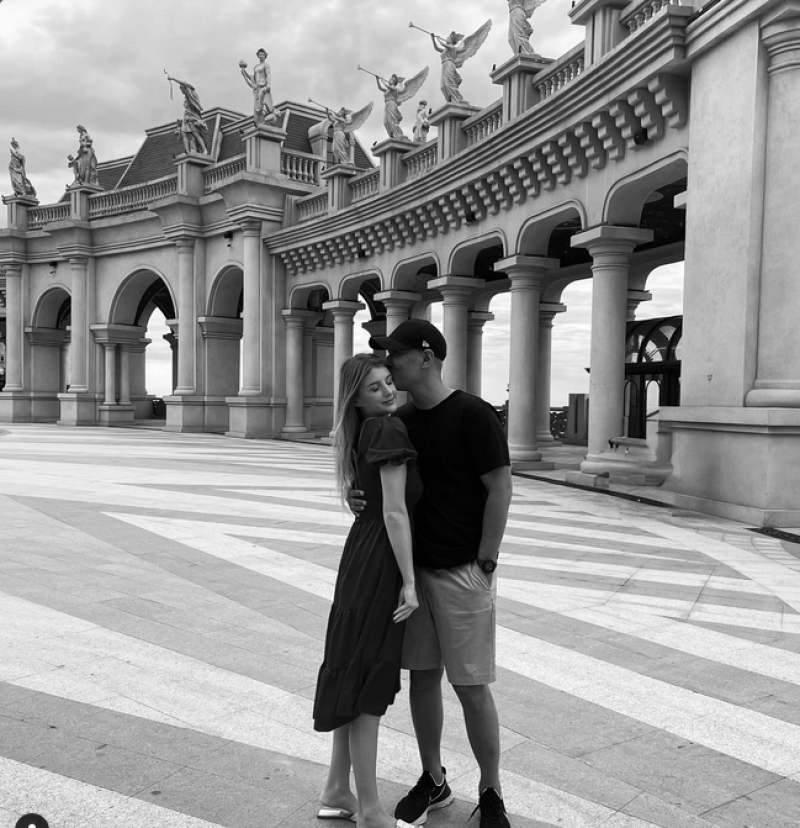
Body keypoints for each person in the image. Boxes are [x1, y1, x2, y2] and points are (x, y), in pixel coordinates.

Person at [363, 319, 514, 828]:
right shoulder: (401, 420)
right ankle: (434, 778)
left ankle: (490, 790)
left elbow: (500, 488)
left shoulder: (474, 414)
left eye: (397, 354)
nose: (389, 363)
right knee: (422, 680)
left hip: (462, 571)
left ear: (426, 357)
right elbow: (385, 487)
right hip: (413, 575)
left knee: (472, 688)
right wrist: (357, 495)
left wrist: (486, 562)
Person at [314, 353, 422, 828]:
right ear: (356, 400)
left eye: (388, 382)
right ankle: (372, 811)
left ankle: (338, 789)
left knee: (353, 670)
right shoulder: (387, 429)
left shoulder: (363, 431)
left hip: (360, 555)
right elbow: (395, 512)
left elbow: (378, 502)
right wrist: (411, 583)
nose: (388, 391)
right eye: (374, 388)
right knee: (367, 683)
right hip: (381, 562)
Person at [166, 75, 208, 154]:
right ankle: (188, 152)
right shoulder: (186, 97)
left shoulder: (191, 94)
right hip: (186, 118)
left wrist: (173, 78)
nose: (181, 91)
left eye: (181, 89)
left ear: (185, 88)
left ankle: (204, 149)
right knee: (183, 133)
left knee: (195, 133)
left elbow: (185, 83)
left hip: (192, 118)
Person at [239, 48, 276, 126]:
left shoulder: (266, 65)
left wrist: (268, 85)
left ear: (265, 56)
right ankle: (259, 122)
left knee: (264, 106)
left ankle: (265, 121)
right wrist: (244, 72)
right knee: (258, 108)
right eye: (260, 55)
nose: (261, 56)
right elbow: (253, 78)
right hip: (257, 88)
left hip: (263, 88)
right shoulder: (256, 67)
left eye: (262, 54)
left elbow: (268, 75)